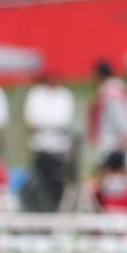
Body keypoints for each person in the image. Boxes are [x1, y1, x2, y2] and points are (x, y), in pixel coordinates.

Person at [22, 71, 76, 212]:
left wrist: (44, 124)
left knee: (56, 181)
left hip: (58, 148)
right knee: (39, 181)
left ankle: (54, 208)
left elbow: (63, 121)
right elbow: (31, 121)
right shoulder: (36, 94)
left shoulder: (65, 95)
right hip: (39, 146)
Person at [88, 59, 127, 170]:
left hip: (113, 144)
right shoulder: (119, 88)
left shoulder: (111, 92)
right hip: (116, 141)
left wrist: (125, 135)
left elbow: (118, 117)